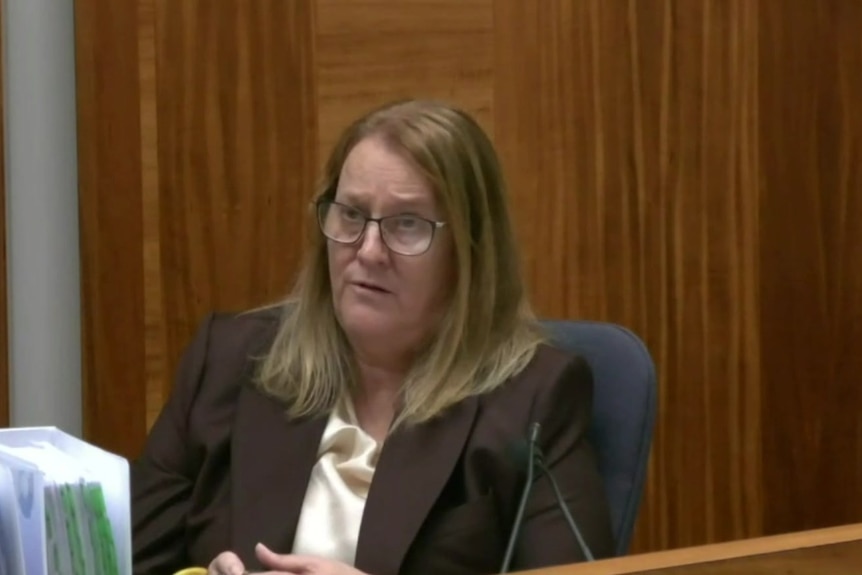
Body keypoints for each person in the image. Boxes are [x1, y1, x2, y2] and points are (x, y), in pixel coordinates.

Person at [131, 99, 615, 575]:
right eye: (352, 215)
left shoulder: (533, 403)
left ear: (469, 253)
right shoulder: (231, 361)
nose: (368, 250)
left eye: (407, 225)